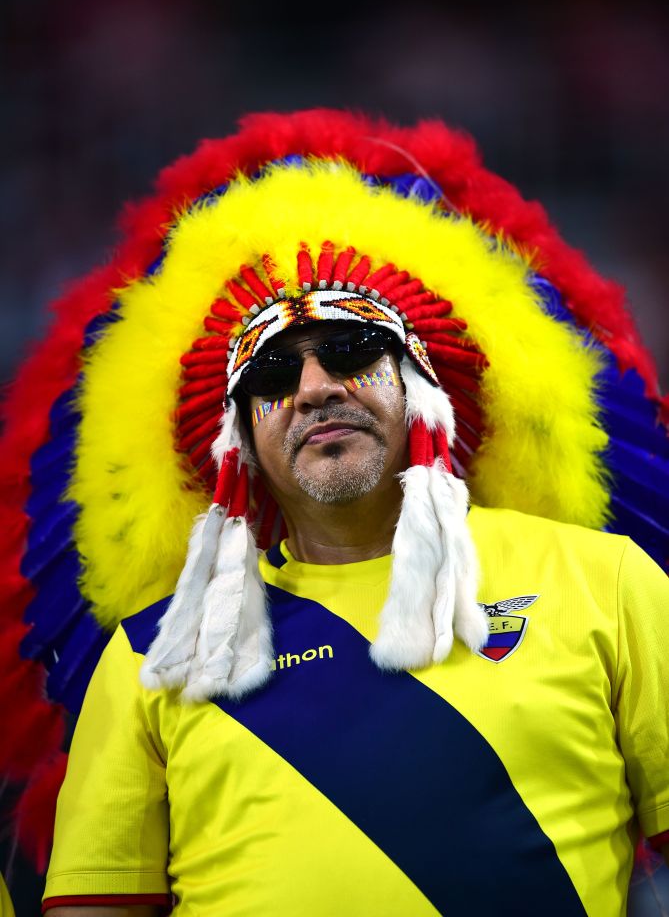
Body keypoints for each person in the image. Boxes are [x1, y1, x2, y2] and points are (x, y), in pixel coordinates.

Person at [1, 111, 667, 916]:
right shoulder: (152, 656)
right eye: (272, 374)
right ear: (238, 441)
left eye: (352, 351)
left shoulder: (604, 581)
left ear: (423, 392)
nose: (315, 387)